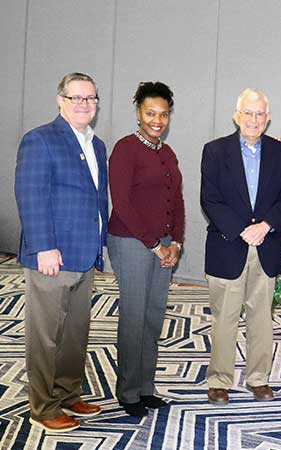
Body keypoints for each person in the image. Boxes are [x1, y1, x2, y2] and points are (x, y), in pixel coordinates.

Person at [14, 72, 107, 432]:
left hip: (84, 253)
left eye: (90, 98)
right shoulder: (40, 139)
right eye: (77, 98)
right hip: (52, 255)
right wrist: (42, 247)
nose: (85, 104)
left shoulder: (96, 144)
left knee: (75, 331)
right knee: (47, 334)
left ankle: (69, 393)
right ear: (60, 100)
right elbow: (30, 194)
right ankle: (43, 405)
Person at [200, 88, 281, 404]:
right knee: (225, 318)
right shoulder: (214, 151)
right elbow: (210, 199)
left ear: (267, 119)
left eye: (259, 114)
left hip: (265, 246)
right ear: (236, 115)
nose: (254, 120)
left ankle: (258, 379)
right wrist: (243, 230)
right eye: (248, 113)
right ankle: (219, 381)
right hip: (229, 245)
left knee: (260, 319)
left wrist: (265, 226)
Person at [107, 82, 185, 417]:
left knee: (153, 318)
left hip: (163, 246)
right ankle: (128, 392)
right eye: (150, 113)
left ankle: (146, 387)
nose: (157, 120)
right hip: (131, 243)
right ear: (138, 112)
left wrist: (176, 242)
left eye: (163, 114)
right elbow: (122, 203)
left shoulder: (166, 153)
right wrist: (153, 244)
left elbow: (177, 201)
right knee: (134, 317)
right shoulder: (126, 149)